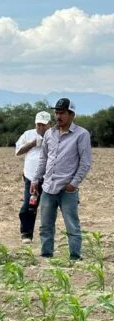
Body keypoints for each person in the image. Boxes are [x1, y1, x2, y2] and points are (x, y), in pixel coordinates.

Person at [32, 98, 92, 261]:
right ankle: (46, 255)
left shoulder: (81, 134)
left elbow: (85, 163)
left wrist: (73, 184)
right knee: (45, 225)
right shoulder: (49, 134)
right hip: (48, 187)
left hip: (67, 189)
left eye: (62, 113)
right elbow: (43, 159)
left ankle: (74, 256)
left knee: (72, 225)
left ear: (71, 114)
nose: (58, 116)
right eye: (57, 113)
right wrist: (35, 180)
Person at [15, 111, 51, 244]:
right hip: (30, 177)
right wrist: (32, 143)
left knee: (48, 207)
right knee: (29, 206)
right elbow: (18, 151)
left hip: (49, 177)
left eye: (44, 125)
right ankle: (26, 234)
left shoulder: (54, 135)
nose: (41, 128)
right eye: (38, 125)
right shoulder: (28, 134)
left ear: (49, 125)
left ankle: (46, 236)